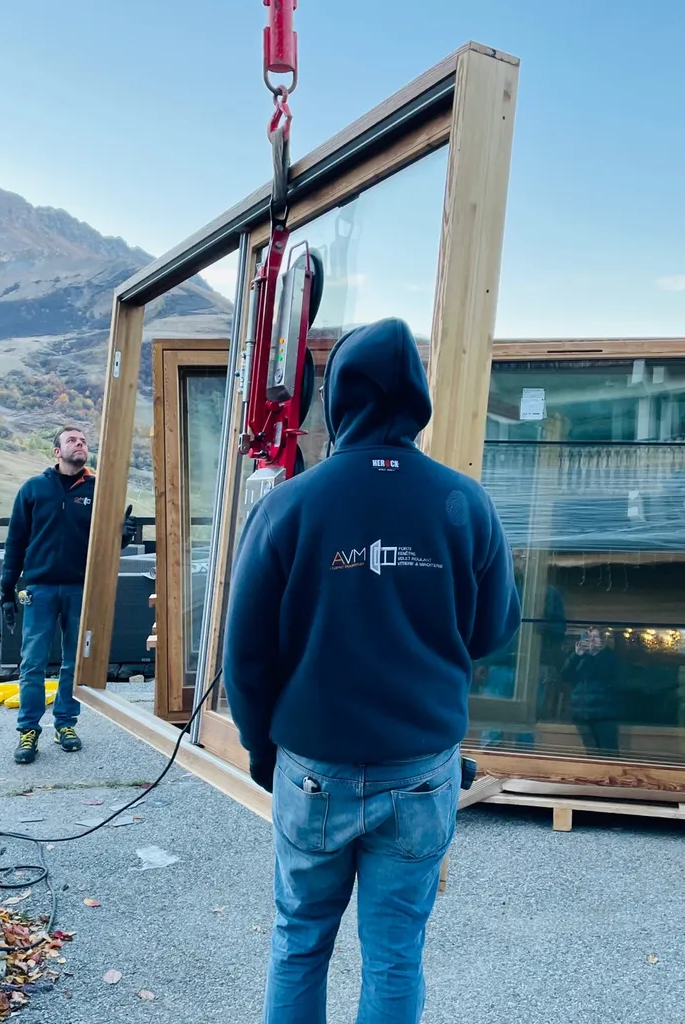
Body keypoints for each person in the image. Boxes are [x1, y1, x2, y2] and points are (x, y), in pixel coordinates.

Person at [223, 318, 522, 1024]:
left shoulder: (287, 506)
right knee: (395, 956)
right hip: (420, 770)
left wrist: (266, 754)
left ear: (338, 398)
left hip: (313, 765)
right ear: (417, 398)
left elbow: (246, 656)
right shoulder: (466, 503)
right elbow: (491, 630)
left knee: (300, 942)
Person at [0, 426, 136, 765]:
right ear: (57, 452)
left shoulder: (99, 491)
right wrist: (6, 590)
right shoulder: (33, 490)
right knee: (32, 662)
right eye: (72, 440)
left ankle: (65, 724)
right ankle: (28, 730)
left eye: (84, 440)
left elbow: (106, 544)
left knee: (74, 663)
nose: (80, 444)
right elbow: (15, 542)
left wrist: (124, 536)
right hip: (39, 589)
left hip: (80, 589)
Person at [561, 627, 619, 754]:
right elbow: (565, 675)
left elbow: (608, 676)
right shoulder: (579, 657)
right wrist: (576, 656)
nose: (591, 640)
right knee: (591, 752)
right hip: (581, 713)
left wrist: (595, 654)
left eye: (595, 637)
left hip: (603, 714)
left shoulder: (609, 657)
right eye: (588, 638)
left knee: (609, 752)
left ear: (602, 641)